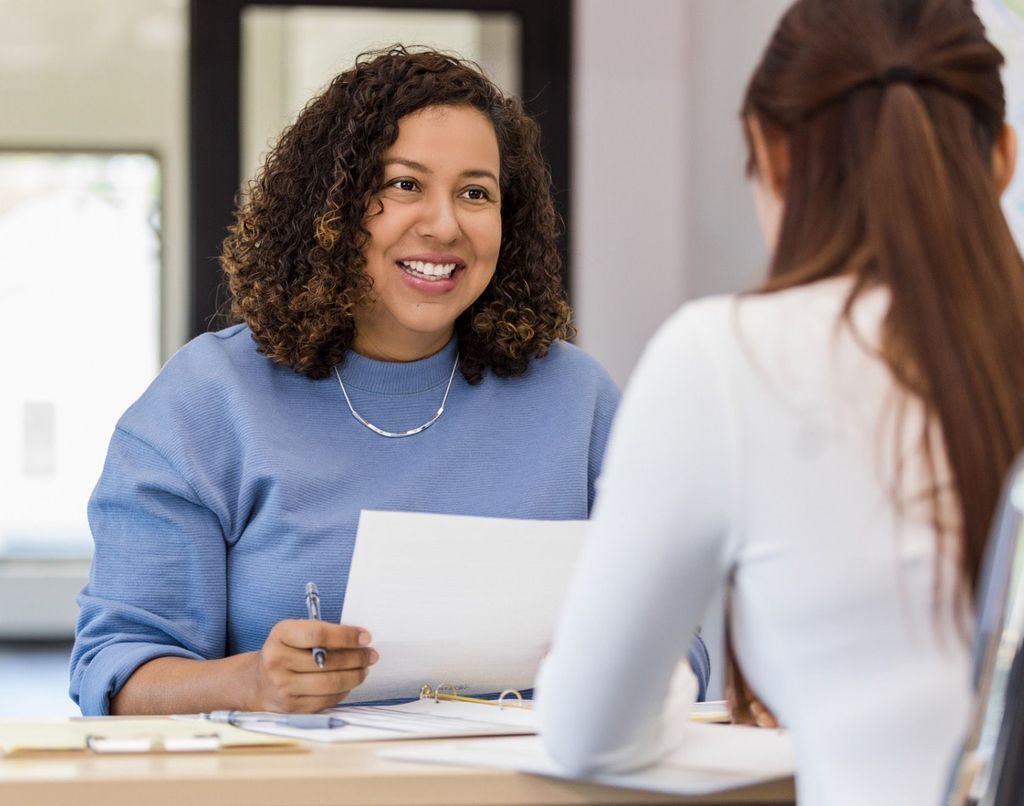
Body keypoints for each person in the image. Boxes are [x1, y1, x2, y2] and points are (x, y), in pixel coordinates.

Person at [69, 47, 705, 717]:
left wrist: (624, 665)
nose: (444, 224)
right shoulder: (208, 400)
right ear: (333, 206)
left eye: (475, 192)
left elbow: (678, 644)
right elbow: (117, 671)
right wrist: (253, 684)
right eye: (405, 184)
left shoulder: (579, 399)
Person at [536, 1, 1024, 804]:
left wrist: (654, 692)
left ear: (771, 155)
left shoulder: (727, 360)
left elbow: (589, 732)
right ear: (1004, 157)